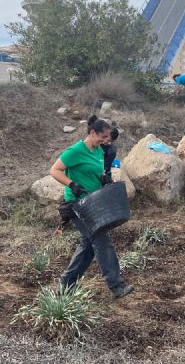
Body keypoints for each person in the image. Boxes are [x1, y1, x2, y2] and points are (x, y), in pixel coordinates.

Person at [50, 116, 134, 299]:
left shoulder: (97, 151)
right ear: (93, 132)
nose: (106, 140)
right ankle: (116, 286)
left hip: (94, 203)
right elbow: (54, 170)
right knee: (102, 239)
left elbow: (98, 170)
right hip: (77, 205)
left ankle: (66, 286)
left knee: (88, 246)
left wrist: (104, 178)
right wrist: (71, 183)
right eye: (103, 136)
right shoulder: (75, 151)